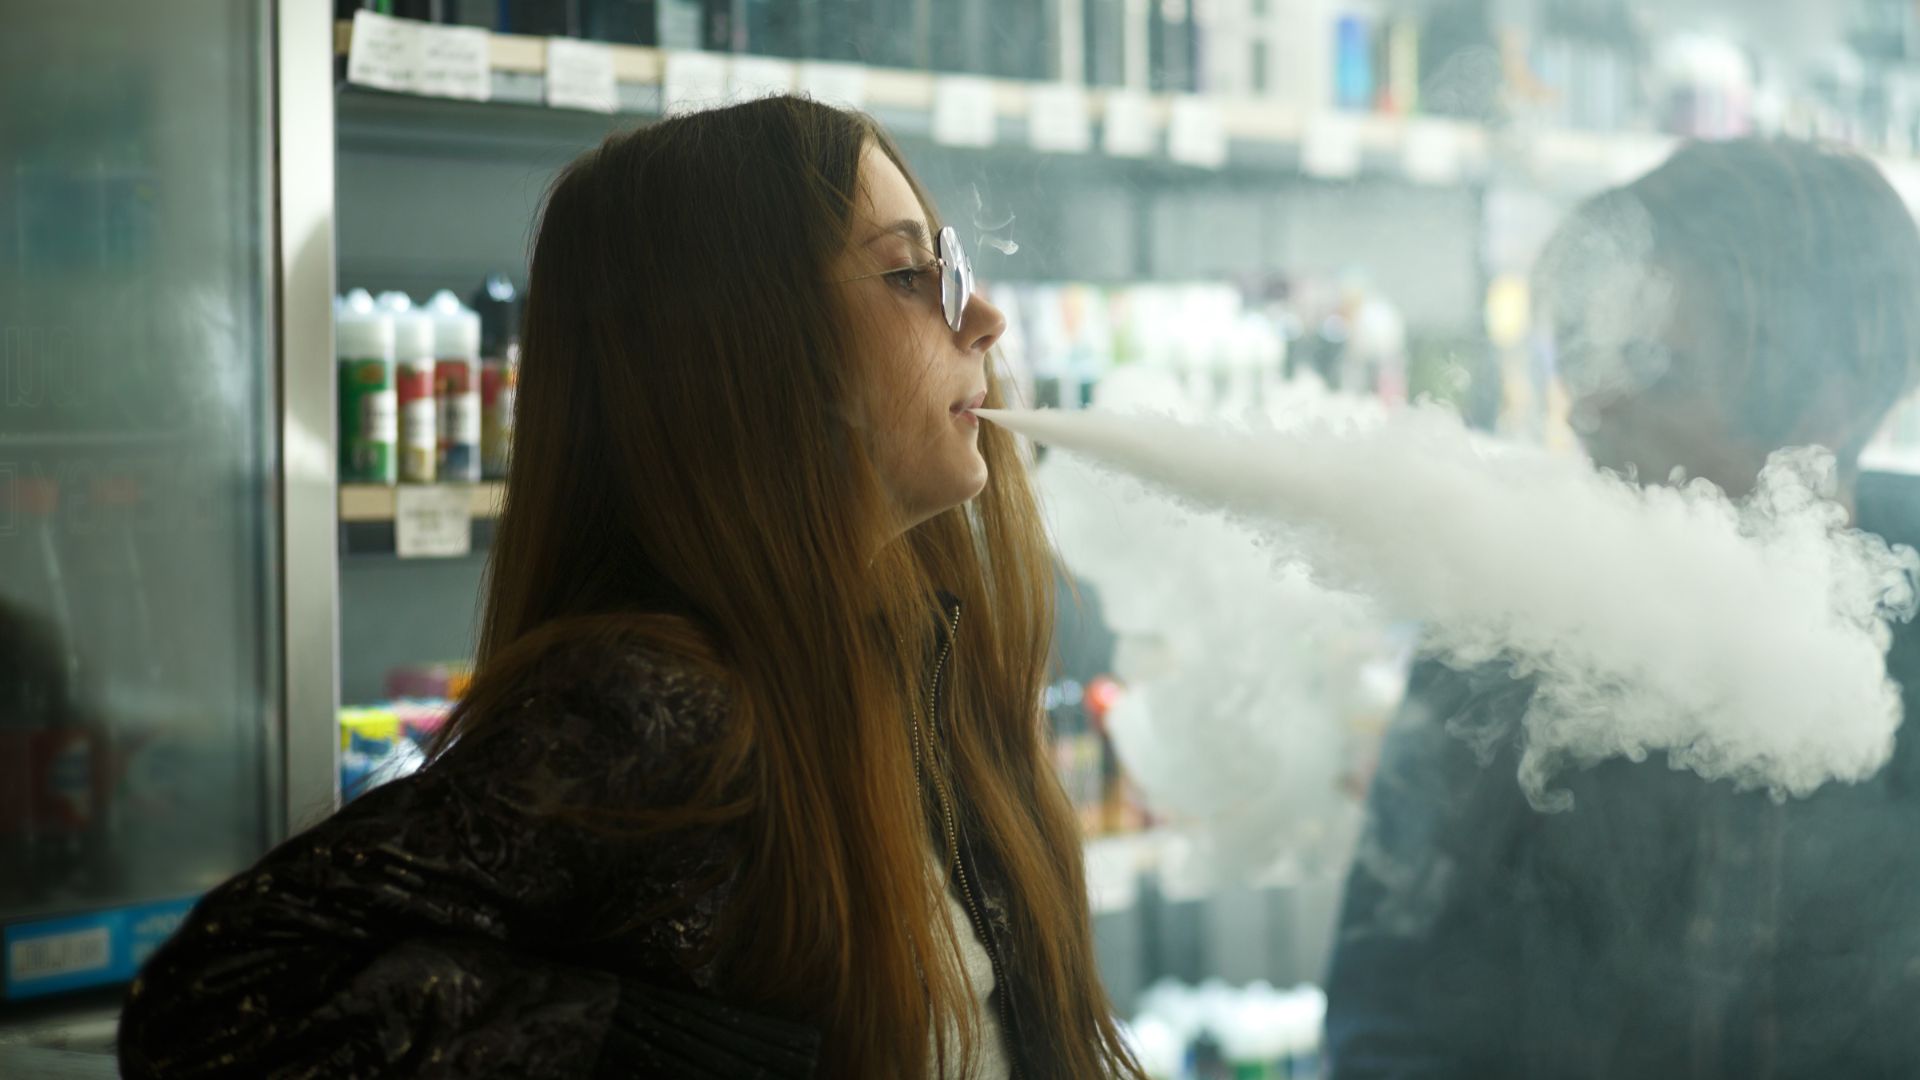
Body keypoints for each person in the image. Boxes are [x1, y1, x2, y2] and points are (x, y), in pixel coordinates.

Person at [118, 95, 1145, 1080]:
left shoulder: (917, 662)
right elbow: (215, 1007)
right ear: (745, 340)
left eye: (948, 266)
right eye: (907, 273)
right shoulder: (658, 705)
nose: (985, 318)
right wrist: (638, 1047)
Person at [1324, 138, 1920, 1079]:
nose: (1589, 407)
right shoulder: (1506, 624)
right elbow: (1390, 1016)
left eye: (1655, 364)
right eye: (1593, 349)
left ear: (1828, 406)